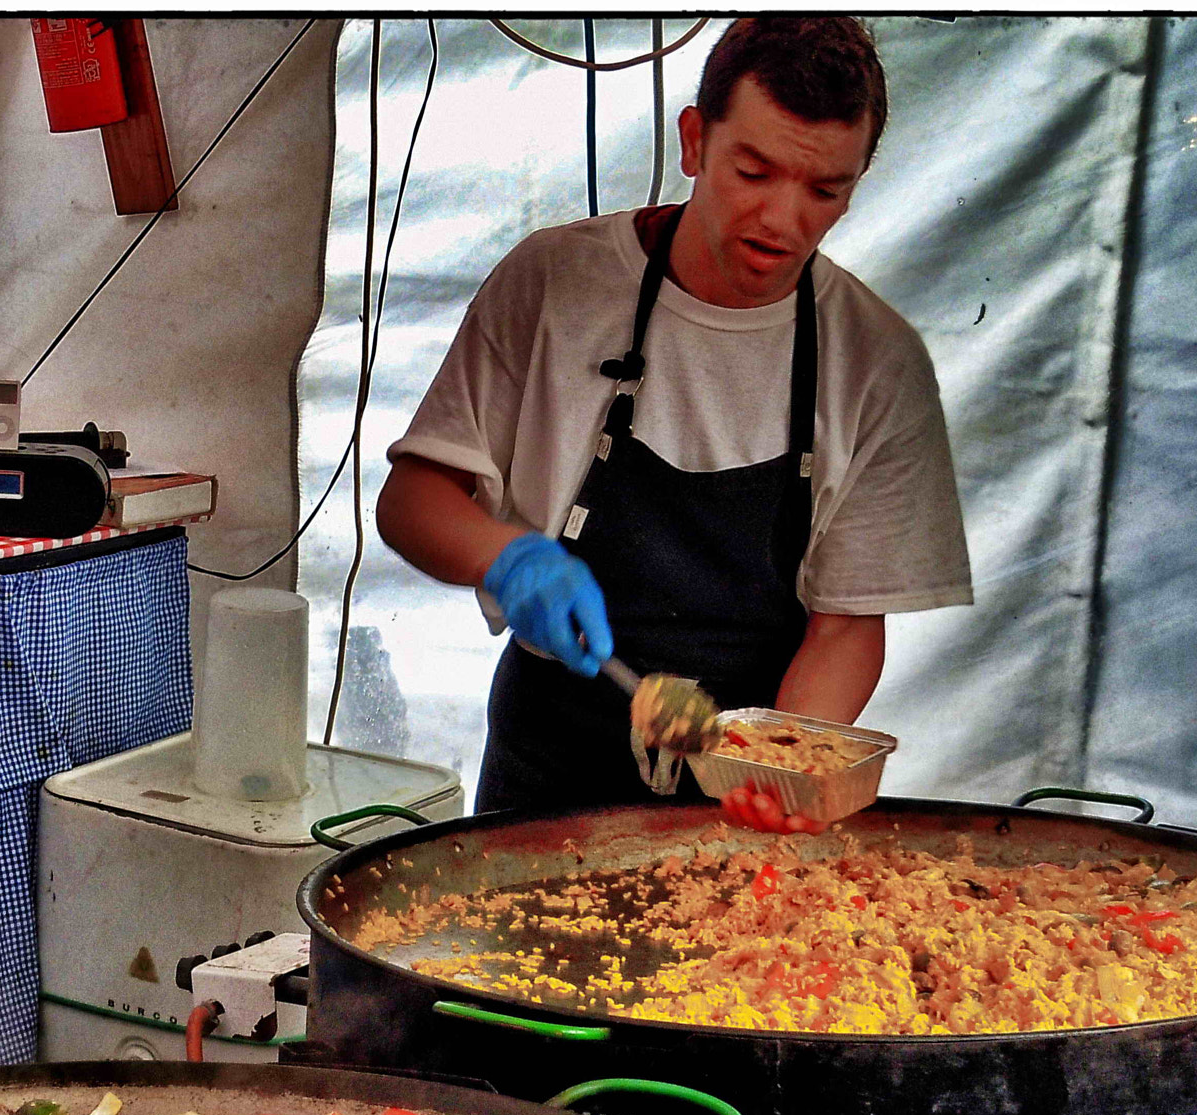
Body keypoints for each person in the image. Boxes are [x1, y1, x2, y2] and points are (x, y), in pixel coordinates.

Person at [376, 17, 973, 815]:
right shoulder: (556, 282)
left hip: (742, 782)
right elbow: (412, 501)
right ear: (694, 142)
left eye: (824, 190)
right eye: (753, 171)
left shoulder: (877, 360)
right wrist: (508, 555)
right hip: (546, 768)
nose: (782, 221)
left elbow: (846, 627)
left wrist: (782, 763)